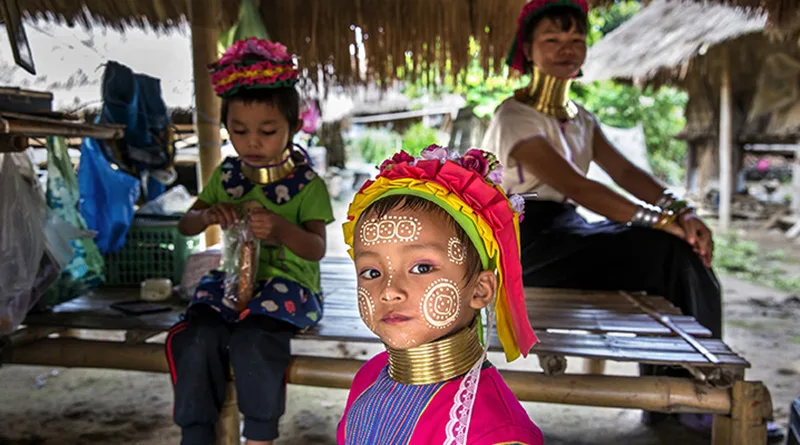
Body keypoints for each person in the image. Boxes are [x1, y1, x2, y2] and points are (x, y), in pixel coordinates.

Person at [165, 38, 334, 445]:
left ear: (293, 127)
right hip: (231, 283)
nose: (252, 142)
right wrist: (207, 216)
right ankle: (196, 432)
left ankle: (259, 435)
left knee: (253, 338)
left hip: (290, 287)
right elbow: (186, 226)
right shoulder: (227, 176)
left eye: (268, 130)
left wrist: (281, 230)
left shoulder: (307, 185)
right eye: (239, 130)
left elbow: (316, 248)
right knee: (197, 333)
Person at [337, 146, 544, 445]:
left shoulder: (498, 433)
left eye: (421, 267)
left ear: (480, 289)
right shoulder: (370, 376)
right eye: (371, 272)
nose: (390, 290)